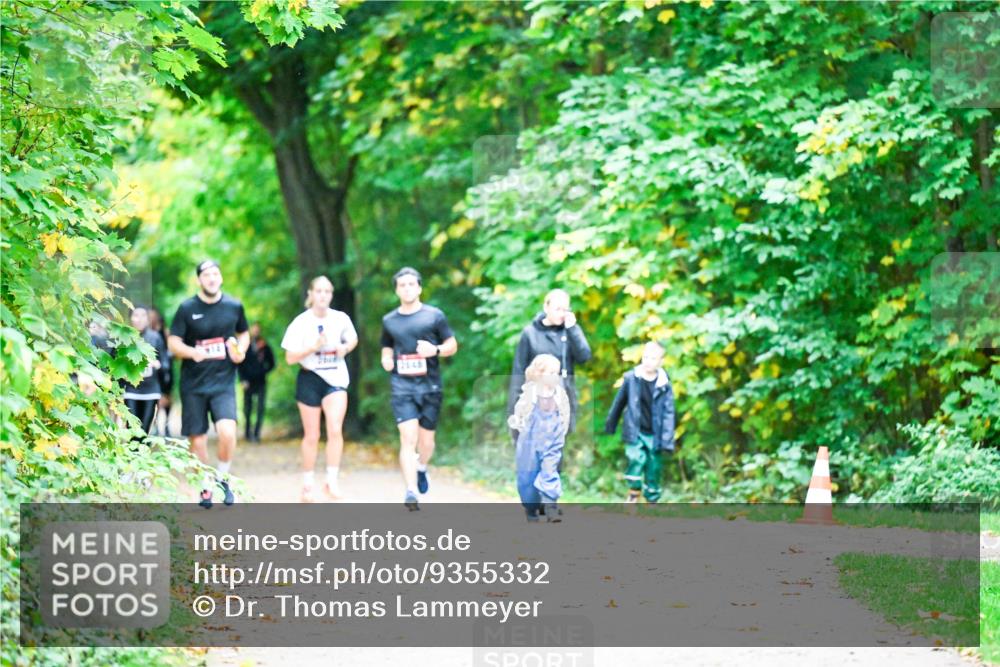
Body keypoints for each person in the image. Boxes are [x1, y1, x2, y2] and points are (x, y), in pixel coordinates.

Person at [168, 260, 249, 509]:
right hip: (193, 384)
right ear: (199, 280)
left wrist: (240, 351)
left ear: (220, 278)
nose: (212, 278)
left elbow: (243, 333)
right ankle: (205, 485)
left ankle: (222, 478)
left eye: (215, 274)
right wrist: (192, 352)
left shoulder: (234, 306)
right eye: (206, 275)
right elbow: (173, 342)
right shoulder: (187, 308)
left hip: (223, 382)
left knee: (227, 432)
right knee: (198, 441)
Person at [380, 267, 458, 511]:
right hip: (402, 386)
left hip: (430, 385)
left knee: (426, 442)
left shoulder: (434, 316)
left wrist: (435, 350)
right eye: (402, 285)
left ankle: (422, 467)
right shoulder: (389, 320)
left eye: (411, 284)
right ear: (396, 290)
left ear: (420, 288)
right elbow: (386, 346)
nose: (407, 289)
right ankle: (411, 491)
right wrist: (386, 359)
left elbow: (452, 345)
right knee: (408, 438)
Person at [281, 276, 358, 503]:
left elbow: (353, 339)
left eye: (327, 291)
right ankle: (307, 484)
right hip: (310, 378)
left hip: (335, 378)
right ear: (311, 294)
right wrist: (312, 347)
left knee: (334, 429)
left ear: (331, 295)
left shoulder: (340, 318)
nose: (323, 295)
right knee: (312, 434)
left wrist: (345, 348)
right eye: (319, 291)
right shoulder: (301, 322)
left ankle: (331, 482)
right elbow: (289, 358)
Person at [507, 289, 591, 442]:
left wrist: (572, 329)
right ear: (546, 307)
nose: (562, 314)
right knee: (532, 448)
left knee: (555, 450)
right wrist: (515, 408)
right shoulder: (530, 333)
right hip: (534, 401)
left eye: (565, 309)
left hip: (560, 400)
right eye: (558, 309)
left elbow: (584, 357)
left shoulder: (570, 331)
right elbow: (518, 372)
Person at [604, 341, 676, 503]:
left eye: (653, 358)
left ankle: (652, 499)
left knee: (653, 468)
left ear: (661, 361)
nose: (648, 361)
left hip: (655, 433)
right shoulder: (631, 378)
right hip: (635, 430)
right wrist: (611, 424)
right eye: (646, 357)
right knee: (636, 458)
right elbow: (619, 402)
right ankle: (634, 492)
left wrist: (667, 439)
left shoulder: (665, 385)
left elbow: (669, 413)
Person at [508, 354, 571, 523]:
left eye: (557, 373)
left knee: (550, 471)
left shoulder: (560, 394)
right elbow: (519, 413)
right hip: (530, 440)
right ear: (539, 374)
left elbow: (565, 414)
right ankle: (531, 508)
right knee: (527, 477)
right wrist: (517, 426)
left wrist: (562, 432)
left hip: (552, 440)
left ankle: (551, 506)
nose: (555, 376)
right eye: (551, 373)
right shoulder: (530, 393)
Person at [122, 306, 167, 435]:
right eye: (136, 315)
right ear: (130, 318)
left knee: (144, 432)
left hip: (151, 390)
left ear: (148, 319)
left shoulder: (155, 337)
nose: (140, 319)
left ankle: (144, 448)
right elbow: (114, 363)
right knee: (133, 430)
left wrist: (157, 364)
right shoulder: (123, 338)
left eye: (143, 316)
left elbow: (165, 363)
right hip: (130, 390)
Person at [238, 322, 275, 442]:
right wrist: (243, 379)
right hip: (248, 382)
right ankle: (247, 433)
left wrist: (263, 371)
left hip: (261, 382)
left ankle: (257, 434)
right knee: (247, 409)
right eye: (254, 329)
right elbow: (240, 364)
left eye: (257, 329)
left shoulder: (264, 345)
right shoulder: (245, 345)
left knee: (260, 408)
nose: (255, 331)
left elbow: (272, 363)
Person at [149, 307, 174, 437]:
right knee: (155, 398)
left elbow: (172, 350)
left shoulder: (165, 332)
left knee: (167, 397)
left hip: (166, 367)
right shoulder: (149, 333)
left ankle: (167, 425)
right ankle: (156, 426)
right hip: (154, 368)